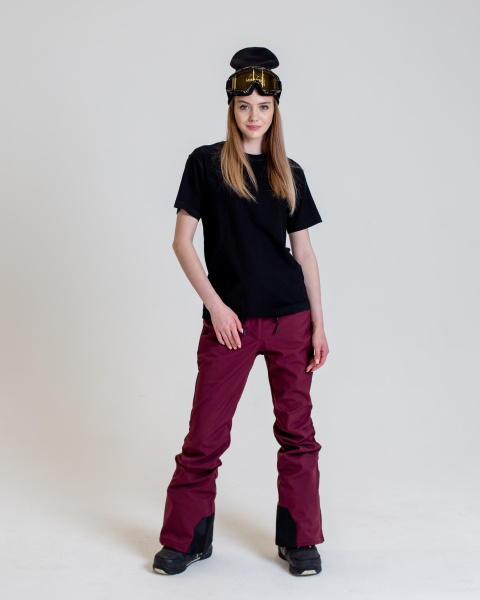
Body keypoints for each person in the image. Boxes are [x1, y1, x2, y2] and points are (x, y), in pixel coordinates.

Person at [153, 47, 329, 577]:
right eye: (245, 105)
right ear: (231, 107)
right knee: (204, 437)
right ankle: (186, 540)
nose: (255, 115)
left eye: (264, 106)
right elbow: (182, 242)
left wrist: (319, 325)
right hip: (229, 324)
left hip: (289, 318)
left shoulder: (288, 171)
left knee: (298, 434)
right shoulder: (206, 164)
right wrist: (216, 306)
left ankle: (300, 540)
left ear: (276, 111)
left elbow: (304, 253)